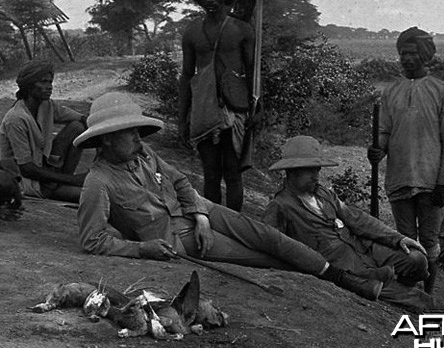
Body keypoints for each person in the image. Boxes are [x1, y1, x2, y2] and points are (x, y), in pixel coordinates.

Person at [74, 92, 383, 302]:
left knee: (266, 235)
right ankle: (347, 281)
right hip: (178, 238)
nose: (138, 139)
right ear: (107, 139)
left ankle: (349, 276)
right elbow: (93, 241)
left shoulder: (145, 154)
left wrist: (201, 215)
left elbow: (180, 181)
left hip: (199, 213)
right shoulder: (97, 183)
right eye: (130, 133)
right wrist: (143, 249)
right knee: (264, 258)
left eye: (137, 131)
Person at [263, 135, 440, 312]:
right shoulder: (281, 206)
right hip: (348, 270)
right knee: (419, 301)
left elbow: (356, 219)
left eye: (317, 170)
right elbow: (273, 245)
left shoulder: (323, 194)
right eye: (309, 171)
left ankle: (397, 281)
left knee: (416, 259)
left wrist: (398, 238)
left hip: (365, 249)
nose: (316, 176)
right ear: (292, 172)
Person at [367, 27, 444, 295]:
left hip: (431, 180)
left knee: (429, 240)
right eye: (403, 53)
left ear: (425, 56)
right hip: (399, 176)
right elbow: (383, 131)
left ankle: (428, 294)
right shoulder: (391, 92)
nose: (406, 58)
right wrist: (377, 150)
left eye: (413, 53)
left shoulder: (441, 91)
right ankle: (410, 291)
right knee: (405, 239)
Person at [179, 0, 254, 212]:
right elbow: (187, 76)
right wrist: (183, 117)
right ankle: (214, 225)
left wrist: (258, 109)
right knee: (210, 174)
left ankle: (236, 225)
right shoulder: (191, 32)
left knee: (233, 173)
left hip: (235, 109)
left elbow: (254, 74)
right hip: (203, 109)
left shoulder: (242, 30)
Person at [0, 60, 87, 202]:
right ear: (28, 86)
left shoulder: (46, 105)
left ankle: (61, 183)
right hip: (29, 181)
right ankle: (62, 184)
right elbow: (26, 168)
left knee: (77, 127)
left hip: (46, 169)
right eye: (43, 82)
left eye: (50, 82)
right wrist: (73, 180)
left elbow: (80, 119)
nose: (49, 87)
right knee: (94, 196)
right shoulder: (16, 119)